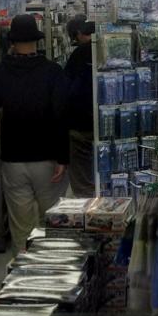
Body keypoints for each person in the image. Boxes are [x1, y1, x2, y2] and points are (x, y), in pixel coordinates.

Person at [0, 14, 69, 253]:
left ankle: (24, 267)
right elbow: (61, 115)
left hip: (13, 157)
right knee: (53, 221)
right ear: (37, 40)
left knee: (21, 226)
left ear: (12, 42)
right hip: (47, 157)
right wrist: (63, 157)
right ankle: (53, 265)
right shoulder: (53, 71)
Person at [63, 15, 96, 197]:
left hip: (81, 126)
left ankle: (87, 206)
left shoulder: (79, 54)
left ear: (78, 34)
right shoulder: (111, 45)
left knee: (83, 184)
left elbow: (69, 90)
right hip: (114, 126)